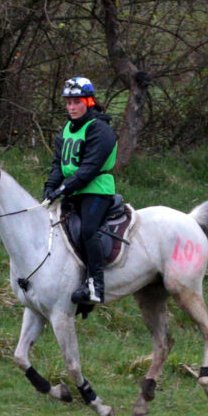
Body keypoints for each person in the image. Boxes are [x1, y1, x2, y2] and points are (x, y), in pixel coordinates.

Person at [44, 76, 119, 307]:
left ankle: (95, 285)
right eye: (68, 103)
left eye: (76, 102)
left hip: (97, 190)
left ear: (89, 101)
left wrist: (64, 188)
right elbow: (59, 164)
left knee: (88, 229)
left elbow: (89, 169)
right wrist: (50, 187)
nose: (72, 107)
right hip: (74, 190)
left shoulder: (100, 128)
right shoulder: (66, 129)